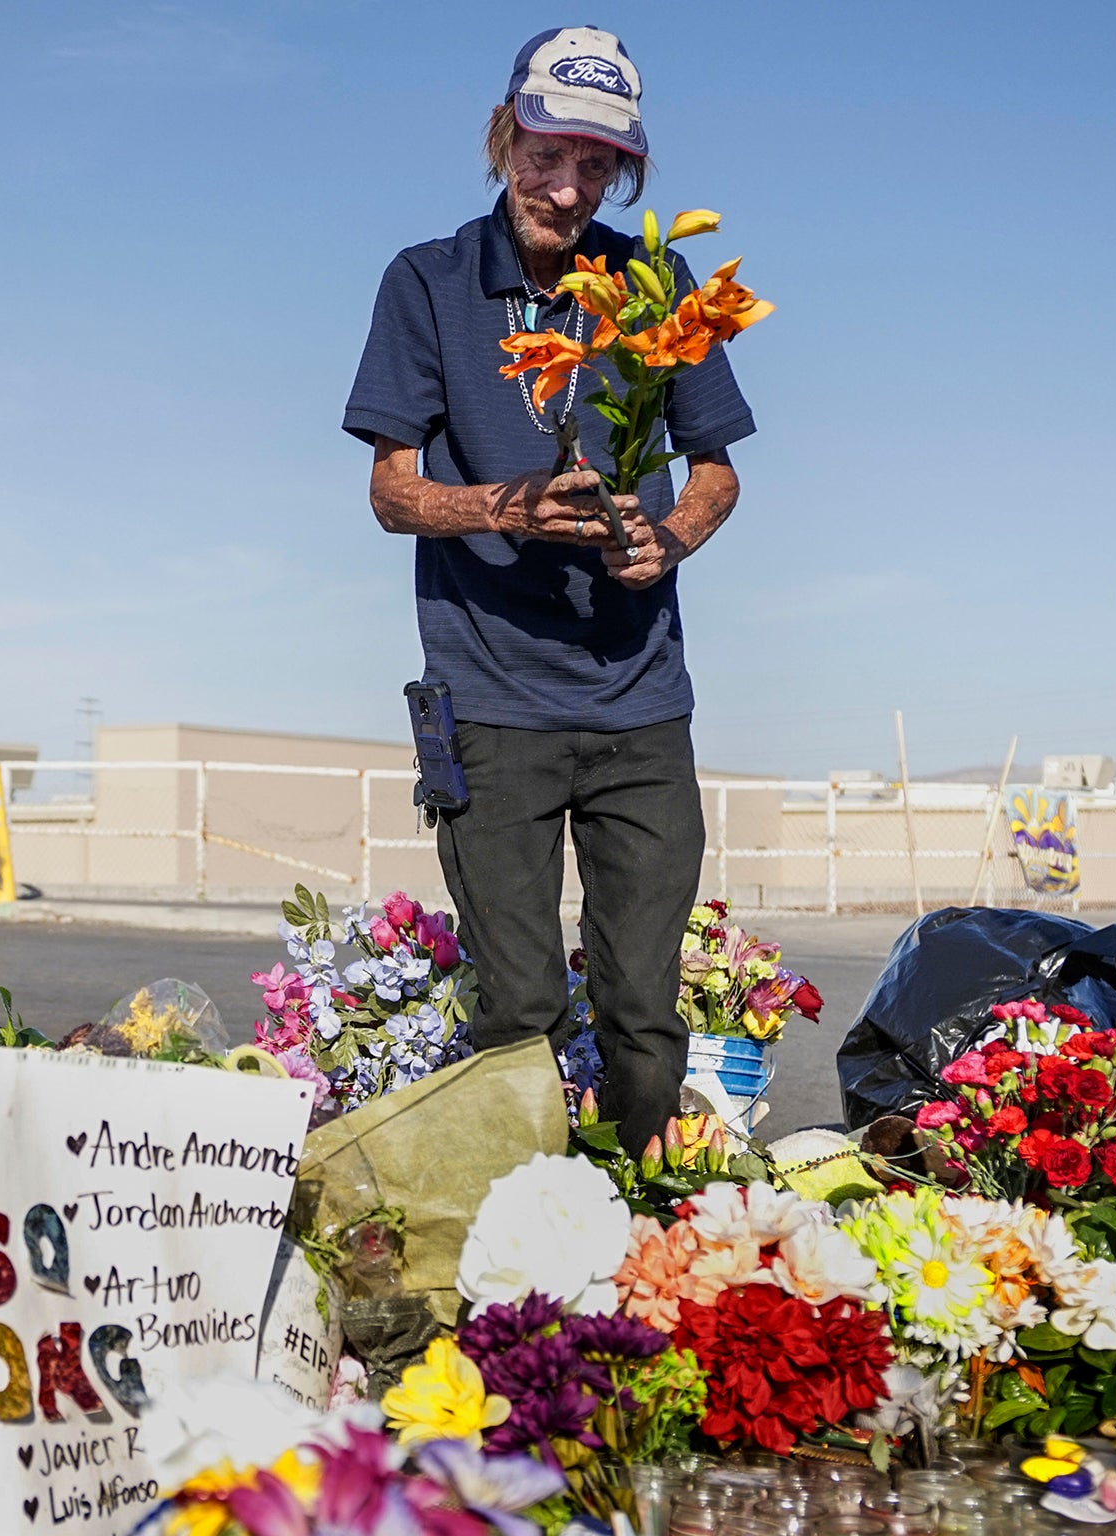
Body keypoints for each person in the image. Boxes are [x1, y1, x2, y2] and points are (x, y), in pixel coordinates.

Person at [341, 25, 756, 1154]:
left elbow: (716, 469)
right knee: (517, 1011)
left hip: (638, 708)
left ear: (621, 171)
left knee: (641, 1017)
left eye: (594, 165)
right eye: (543, 155)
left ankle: (628, 1236)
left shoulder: (655, 284)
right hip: (489, 709)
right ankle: (514, 1253)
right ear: (502, 135)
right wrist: (502, 506)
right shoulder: (426, 282)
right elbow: (389, 490)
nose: (564, 188)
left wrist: (666, 538)